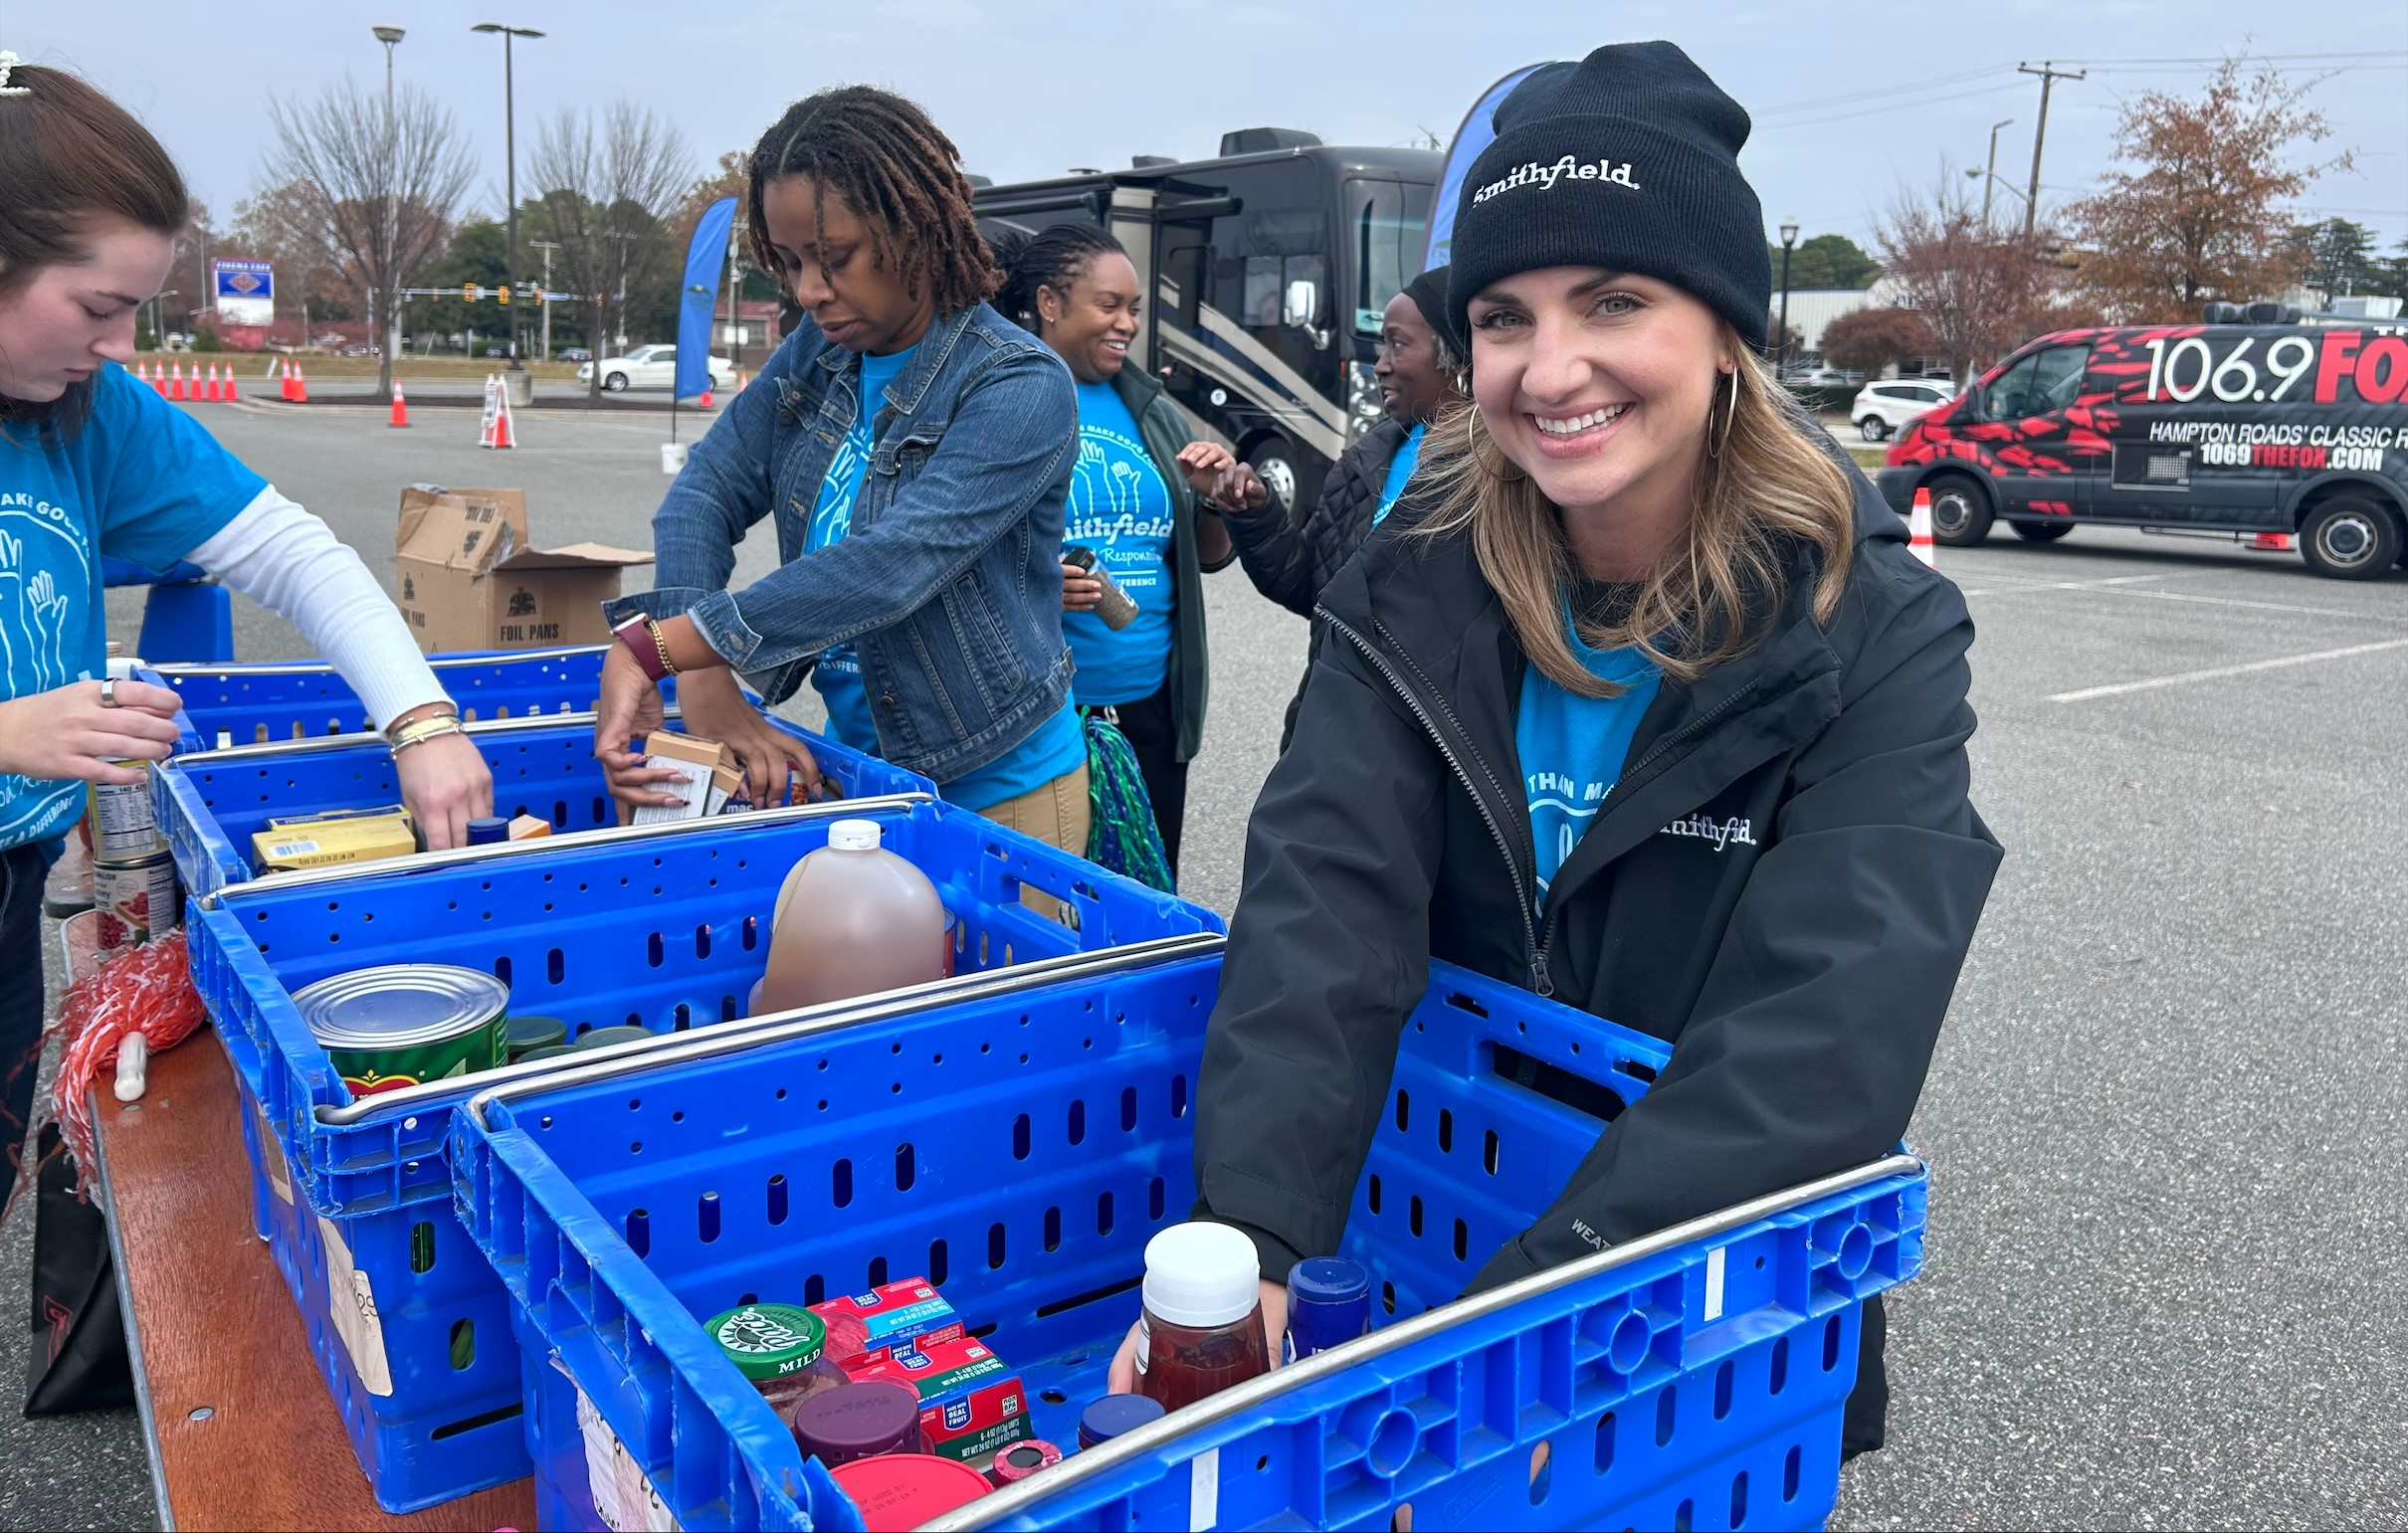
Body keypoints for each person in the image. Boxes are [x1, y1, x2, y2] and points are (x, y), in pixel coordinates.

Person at [1127, 42, 2004, 1455]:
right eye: (1504, 314)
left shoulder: (1871, 627)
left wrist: (1527, 1330)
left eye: (1616, 303)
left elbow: (1820, 1039)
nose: (1551, 368)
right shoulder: (1411, 583)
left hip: (1687, 1294)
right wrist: (1258, 1238)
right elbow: (1323, 911)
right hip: (1437, 1211)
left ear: (1727, 330)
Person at [0, 61, 493, 1197]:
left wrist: (420, 718)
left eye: (136, 310)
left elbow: (291, 550)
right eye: (96, 307)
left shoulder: (86, 409)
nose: (119, 345)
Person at [595, 87, 1092, 856]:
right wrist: (705, 687)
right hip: (863, 773)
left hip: (1000, 798)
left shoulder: (1019, 384)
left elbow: (892, 566)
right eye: (790, 263)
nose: (807, 291)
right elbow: (701, 496)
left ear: (917, 231)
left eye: (834, 259)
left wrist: (661, 646)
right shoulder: (817, 356)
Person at [992, 224, 1239, 875]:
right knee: (1054, 900)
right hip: (1044, 715)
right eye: (1110, 305)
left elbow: (1207, 556)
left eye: (1134, 309)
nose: (1127, 324)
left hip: (1152, 706)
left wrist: (1212, 495)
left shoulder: (1153, 411)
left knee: (1151, 892)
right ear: (1050, 302)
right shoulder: (1002, 398)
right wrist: (1037, 578)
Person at [1214, 265, 1467, 751]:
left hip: (1427, 752)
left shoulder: (1504, 479)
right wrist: (1256, 513)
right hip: (1327, 729)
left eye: (1398, 343)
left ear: (1455, 357)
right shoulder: (1369, 458)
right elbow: (1309, 587)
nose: (1380, 364)